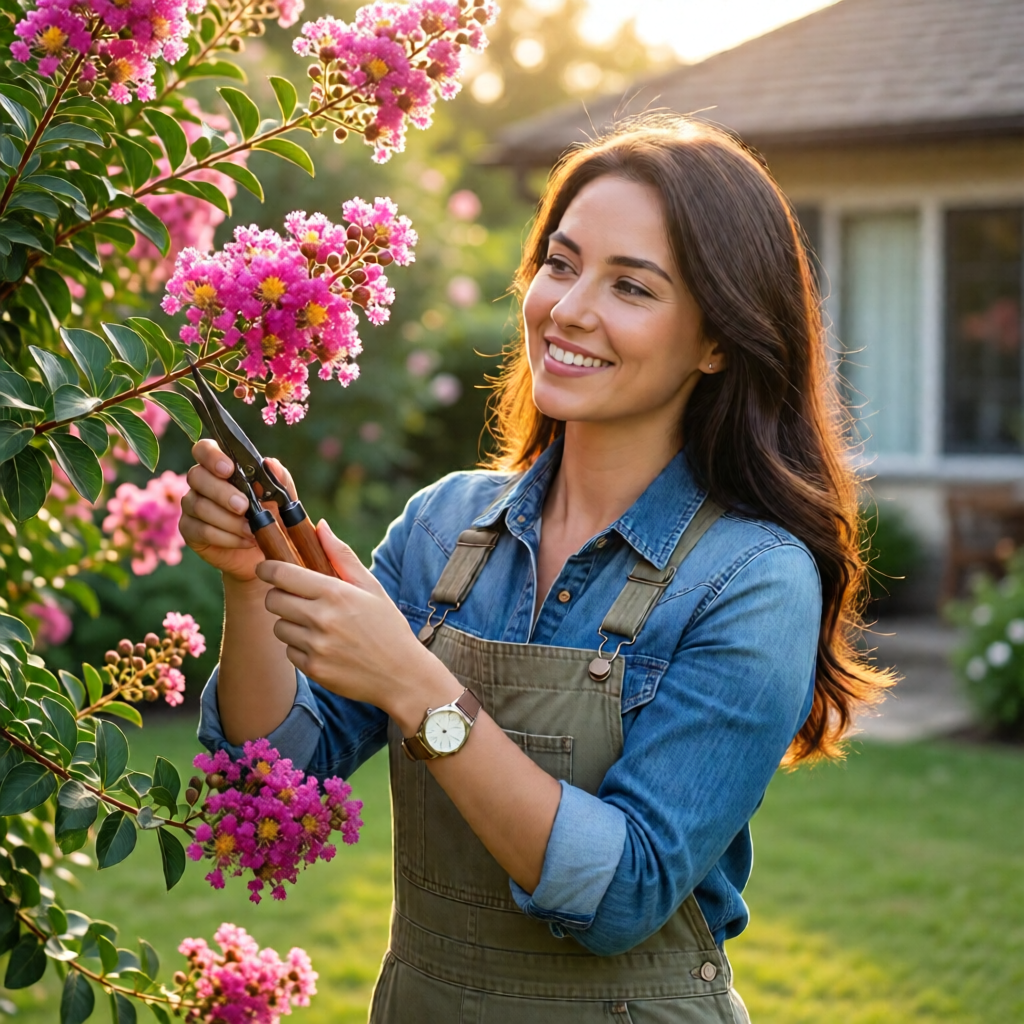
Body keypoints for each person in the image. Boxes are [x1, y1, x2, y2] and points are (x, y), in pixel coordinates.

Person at [180, 116, 891, 1022]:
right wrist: (249, 579)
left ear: (718, 342)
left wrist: (414, 683)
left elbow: (622, 893)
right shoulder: (444, 527)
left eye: (631, 286)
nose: (569, 308)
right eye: (561, 263)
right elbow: (267, 773)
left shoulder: (752, 579)